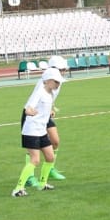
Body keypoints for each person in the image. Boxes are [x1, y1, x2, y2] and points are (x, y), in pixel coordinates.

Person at [12, 68, 66, 197]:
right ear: (47, 81)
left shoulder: (50, 94)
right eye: (56, 81)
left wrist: (50, 112)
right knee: (35, 160)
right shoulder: (39, 92)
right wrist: (30, 111)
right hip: (31, 130)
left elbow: (44, 108)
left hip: (41, 130)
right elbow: (28, 108)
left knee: (50, 157)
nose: (58, 84)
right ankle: (18, 189)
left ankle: (42, 184)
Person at [24, 55, 68, 187]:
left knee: (55, 141)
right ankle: (29, 177)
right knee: (34, 147)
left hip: (45, 114)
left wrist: (51, 108)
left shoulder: (57, 81)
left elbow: (49, 97)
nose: (65, 70)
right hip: (34, 115)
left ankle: (49, 169)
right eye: (63, 68)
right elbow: (34, 102)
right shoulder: (44, 82)